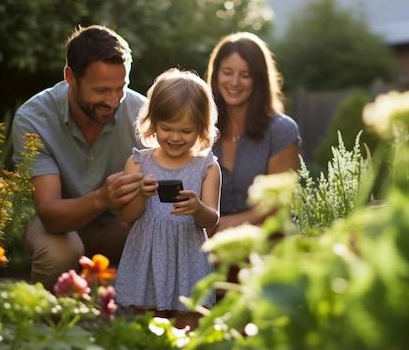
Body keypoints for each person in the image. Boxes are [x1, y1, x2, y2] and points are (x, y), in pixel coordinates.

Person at [11, 25, 147, 291]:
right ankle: (49, 326)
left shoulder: (143, 114)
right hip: (58, 226)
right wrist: (102, 198)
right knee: (58, 254)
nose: (113, 101)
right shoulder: (34, 118)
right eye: (101, 91)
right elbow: (50, 213)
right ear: (70, 77)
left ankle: (151, 326)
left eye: (121, 88)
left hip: (119, 225)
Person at [114, 68, 221, 330]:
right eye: (166, 128)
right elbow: (126, 217)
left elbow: (212, 220)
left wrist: (197, 208)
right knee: (145, 328)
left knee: (188, 329)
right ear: (152, 122)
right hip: (147, 258)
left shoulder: (207, 166)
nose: (175, 137)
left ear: (201, 128)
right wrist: (140, 193)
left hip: (188, 258)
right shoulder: (138, 162)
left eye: (186, 130)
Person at [206, 31, 301, 236]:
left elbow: (279, 204)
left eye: (245, 75)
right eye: (227, 72)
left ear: (258, 80)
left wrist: (225, 225)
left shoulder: (282, 131)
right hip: (207, 249)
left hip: (267, 245)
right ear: (216, 75)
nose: (234, 82)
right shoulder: (200, 129)